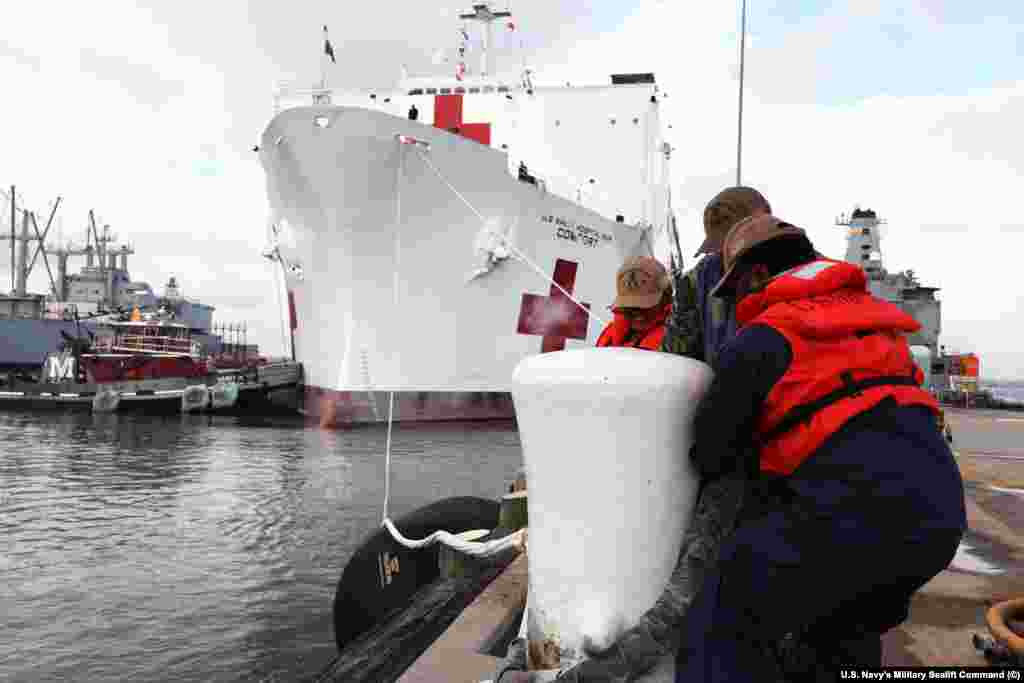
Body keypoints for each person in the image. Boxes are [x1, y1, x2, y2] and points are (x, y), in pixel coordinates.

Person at [672, 214, 966, 679]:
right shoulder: (878, 330)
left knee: (721, 619)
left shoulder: (765, 337)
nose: (737, 304)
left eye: (737, 290)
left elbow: (711, 450)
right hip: (938, 517)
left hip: (849, 513)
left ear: (758, 275)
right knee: (839, 633)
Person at [595, 256, 672, 350]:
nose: (638, 317)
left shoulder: (674, 340)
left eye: (645, 309)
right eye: (630, 310)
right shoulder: (609, 335)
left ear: (665, 298)